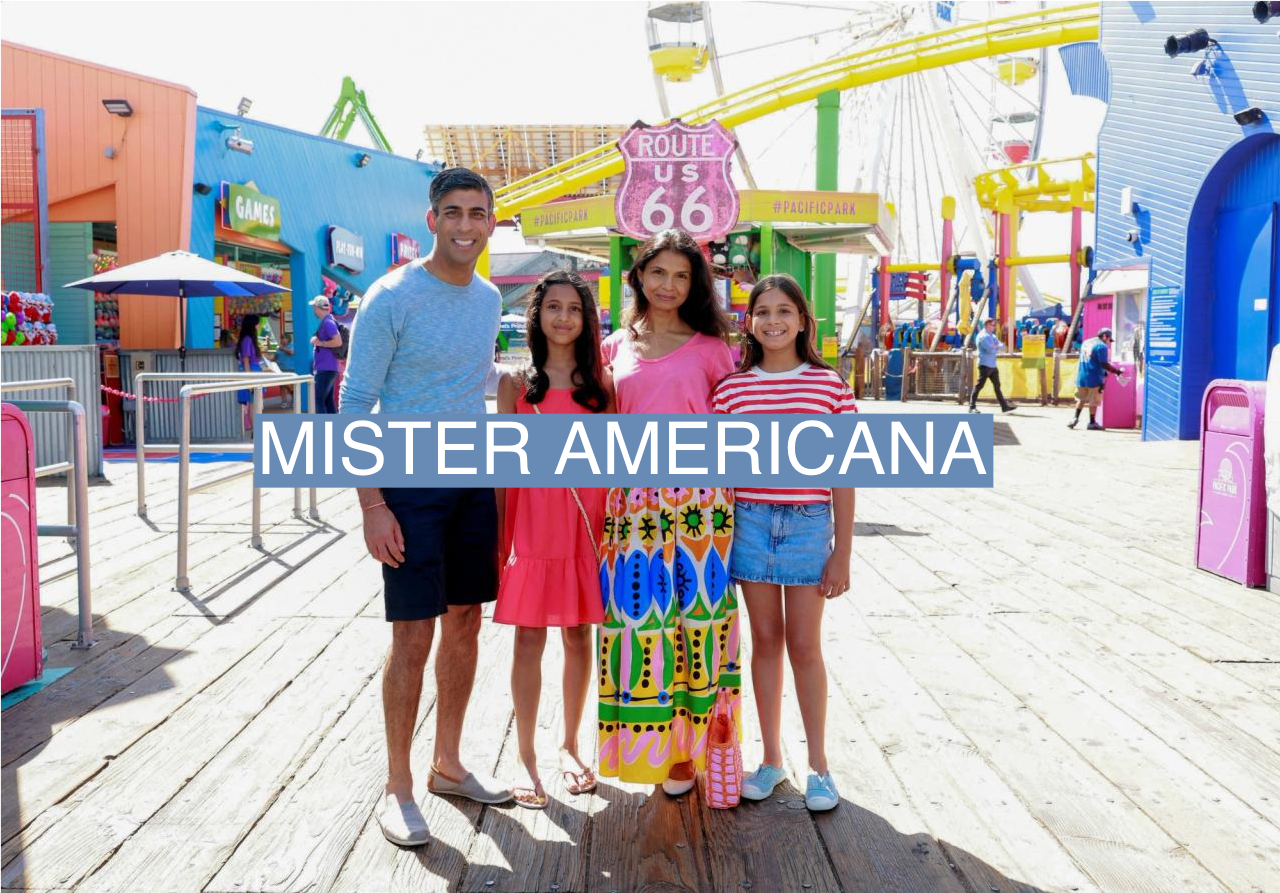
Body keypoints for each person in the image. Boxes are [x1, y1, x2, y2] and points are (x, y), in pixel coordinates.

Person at [339, 167, 511, 848]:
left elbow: (472, 374)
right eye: (454, 212)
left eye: (478, 213)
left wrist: (525, 378)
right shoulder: (390, 296)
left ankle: (447, 763)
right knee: (413, 633)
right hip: (406, 485)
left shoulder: (491, 297)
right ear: (432, 218)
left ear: (491, 221)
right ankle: (398, 785)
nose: (466, 225)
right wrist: (372, 504)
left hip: (471, 478)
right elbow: (354, 406)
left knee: (466, 619)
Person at [597, 228, 738, 794]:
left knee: (698, 627)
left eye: (682, 275)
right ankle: (651, 753)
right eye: (659, 273)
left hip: (702, 506)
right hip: (633, 505)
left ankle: (695, 754)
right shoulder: (613, 346)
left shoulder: (711, 348)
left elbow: (734, 429)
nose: (670, 285)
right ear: (639, 275)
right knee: (639, 625)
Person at [710, 273, 855, 812]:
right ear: (749, 321)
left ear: (802, 321)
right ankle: (771, 760)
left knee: (805, 647)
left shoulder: (829, 386)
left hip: (808, 523)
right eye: (762, 311)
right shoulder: (732, 388)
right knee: (764, 643)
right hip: (747, 520)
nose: (773, 321)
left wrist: (842, 549)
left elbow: (845, 471)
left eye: (784, 311)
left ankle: (819, 767)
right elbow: (720, 468)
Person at [494, 271, 612, 810]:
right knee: (526, 639)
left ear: (587, 319)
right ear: (536, 317)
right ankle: (524, 755)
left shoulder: (602, 385)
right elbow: (503, 468)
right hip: (533, 523)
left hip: (587, 521)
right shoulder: (515, 384)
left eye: (574, 308)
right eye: (553, 307)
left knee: (578, 636)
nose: (563, 317)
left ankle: (569, 744)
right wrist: (501, 540)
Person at [1070, 326, 1125, 430]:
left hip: (1081, 376)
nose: (1109, 342)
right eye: (1109, 340)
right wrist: (1117, 371)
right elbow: (1103, 364)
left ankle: (1074, 418)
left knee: (1081, 399)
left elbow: (1091, 359)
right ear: (1104, 336)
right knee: (1093, 400)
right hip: (1094, 377)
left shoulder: (1086, 342)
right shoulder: (1101, 346)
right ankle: (1092, 422)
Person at [969, 317, 1015, 413]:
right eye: (992, 325)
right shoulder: (982, 336)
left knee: (997, 386)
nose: (994, 327)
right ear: (987, 325)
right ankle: (971, 407)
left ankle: (1004, 406)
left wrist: (996, 346)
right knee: (979, 386)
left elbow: (1002, 347)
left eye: (994, 325)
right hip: (985, 365)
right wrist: (996, 346)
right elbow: (990, 349)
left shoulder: (991, 336)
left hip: (992, 365)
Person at [310, 296, 342, 414]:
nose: (313, 309)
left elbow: (338, 341)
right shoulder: (328, 321)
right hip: (329, 367)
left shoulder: (328, 322)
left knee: (318, 400)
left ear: (317, 308)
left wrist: (320, 342)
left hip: (325, 368)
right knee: (327, 401)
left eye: (314, 307)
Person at [235, 314, 262, 432]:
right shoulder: (248, 339)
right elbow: (246, 360)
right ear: (253, 325)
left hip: (254, 372)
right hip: (251, 373)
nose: (259, 325)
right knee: (253, 403)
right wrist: (250, 379)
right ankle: (256, 431)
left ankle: (257, 430)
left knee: (256, 403)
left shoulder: (250, 339)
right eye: (258, 323)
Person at [274, 332, 295, 409]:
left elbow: (291, 352)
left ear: (287, 338)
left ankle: (294, 400)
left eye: (283, 338)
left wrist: (282, 348)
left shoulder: (292, 345)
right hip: (280, 369)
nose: (281, 339)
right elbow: (275, 358)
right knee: (282, 386)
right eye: (281, 338)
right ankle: (284, 401)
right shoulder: (279, 348)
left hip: (290, 369)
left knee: (290, 386)